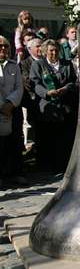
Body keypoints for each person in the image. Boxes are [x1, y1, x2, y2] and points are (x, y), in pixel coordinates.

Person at [30, 40, 79, 172]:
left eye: (56, 50)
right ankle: (47, 167)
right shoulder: (38, 65)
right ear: (45, 51)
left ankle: (64, 165)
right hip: (48, 108)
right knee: (47, 138)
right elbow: (35, 83)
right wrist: (47, 93)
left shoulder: (67, 64)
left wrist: (65, 89)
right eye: (51, 50)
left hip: (65, 107)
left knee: (64, 138)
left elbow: (73, 81)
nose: (54, 52)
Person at [0, 36, 24, 188]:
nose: (3, 49)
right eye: (0, 46)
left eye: (5, 46)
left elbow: (19, 87)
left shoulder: (14, 66)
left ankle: (16, 172)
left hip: (12, 108)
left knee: (15, 141)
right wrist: (2, 106)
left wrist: (10, 104)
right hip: (1, 108)